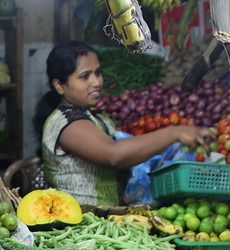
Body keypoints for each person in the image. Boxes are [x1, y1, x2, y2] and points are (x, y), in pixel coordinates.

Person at [34, 41, 215, 206]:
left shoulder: (97, 117)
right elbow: (113, 155)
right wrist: (174, 133)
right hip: (79, 224)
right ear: (59, 85)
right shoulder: (67, 124)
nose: (96, 82)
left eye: (98, 73)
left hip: (108, 219)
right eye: (84, 76)